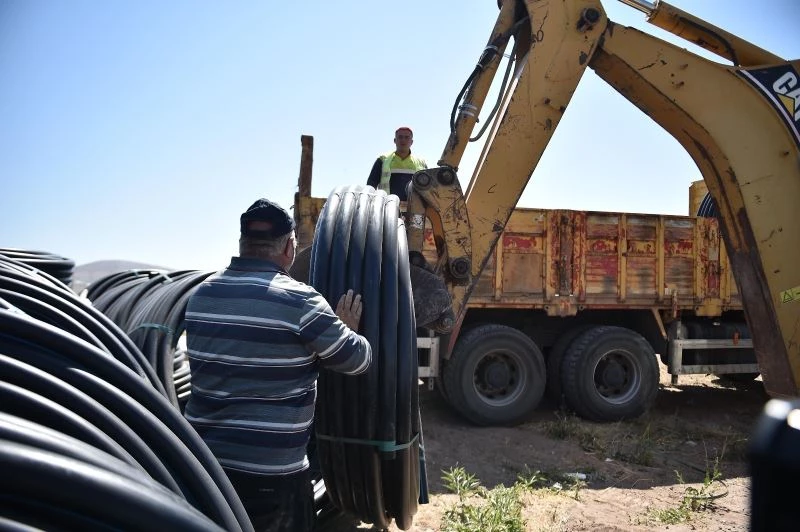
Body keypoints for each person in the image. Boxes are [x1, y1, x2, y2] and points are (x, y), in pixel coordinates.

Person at [183, 198, 372, 532]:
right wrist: (345, 330)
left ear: (242, 244)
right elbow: (357, 360)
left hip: (206, 472)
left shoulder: (201, 297)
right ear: (289, 247)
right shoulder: (300, 301)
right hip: (273, 480)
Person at [366, 126, 427, 201]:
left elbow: (427, 188)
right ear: (395, 140)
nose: (403, 140)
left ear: (411, 142)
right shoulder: (382, 160)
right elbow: (371, 186)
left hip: (414, 210)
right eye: (400, 137)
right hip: (387, 207)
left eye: (407, 137)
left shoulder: (421, 163)